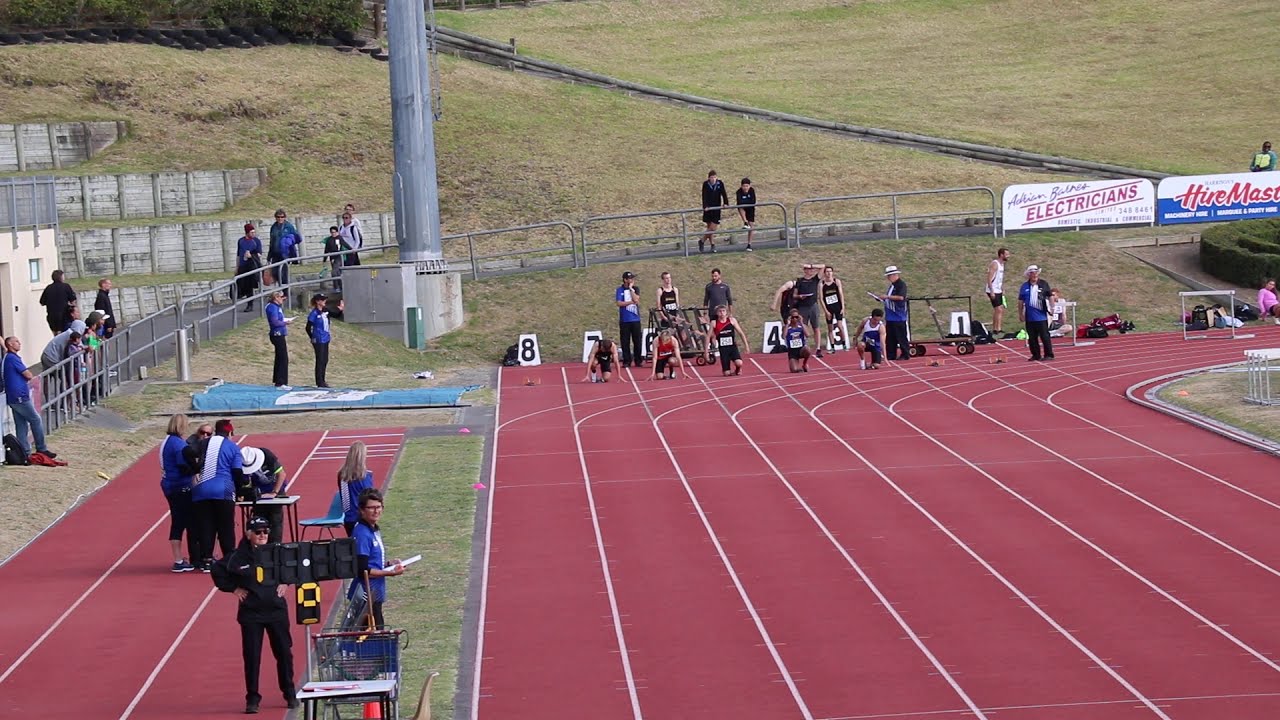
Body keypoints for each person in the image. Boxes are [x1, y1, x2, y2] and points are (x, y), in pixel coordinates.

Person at [228, 515, 298, 714]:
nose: (262, 535)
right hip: (252, 614)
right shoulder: (238, 556)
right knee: (252, 657)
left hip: (276, 611)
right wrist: (234, 589)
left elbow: (292, 566)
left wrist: (286, 582)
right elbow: (219, 571)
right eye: (258, 532)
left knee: (284, 653)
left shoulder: (276, 551)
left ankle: (289, 693)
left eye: (266, 531)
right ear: (248, 533)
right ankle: (252, 699)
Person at [348, 488, 404, 629]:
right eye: (371, 508)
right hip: (366, 595)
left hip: (374, 593)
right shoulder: (362, 533)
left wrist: (388, 564)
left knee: (378, 633)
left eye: (378, 507)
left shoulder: (372, 529)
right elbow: (363, 570)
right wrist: (391, 573)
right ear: (362, 510)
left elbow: (371, 562)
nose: (376, 511)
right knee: (372, 636)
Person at [192, 419, 243, 571]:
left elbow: (188, 453)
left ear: (215, 430)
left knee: (206, 526)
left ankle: (207, 560)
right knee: (226, 526)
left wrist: (195, 470)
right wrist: (240, 492)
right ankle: (229, 559)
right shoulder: (233, 448)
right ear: (230, 432)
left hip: (201, 490)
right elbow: (237, 472)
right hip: (223, 490)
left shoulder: (203, 443)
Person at [2, 336, 55, 459]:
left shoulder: (9, 358)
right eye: (16, 341)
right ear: (10, 344)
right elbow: (28, 374)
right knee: (35, 419)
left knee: (21, 424)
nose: (19, 343)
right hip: (19, 396)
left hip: (15, 396)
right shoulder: (12, 358)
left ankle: (24, 452)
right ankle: (41, 448)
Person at [160, 414, 201, 573]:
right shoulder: (178, 445)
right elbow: (185, 467)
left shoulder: (167, 441)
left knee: (178, 520)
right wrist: (197, 469)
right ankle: (180, 560)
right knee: (183, 522)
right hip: (179, 486)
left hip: (169, 485)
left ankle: (180, 559)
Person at [772, 263, 825, 357]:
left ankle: (818, 348)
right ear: (805, 270)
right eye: (808, 269)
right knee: (803, 327)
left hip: (813, 305)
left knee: (816, 327)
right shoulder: (799, 281)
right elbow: (794, 295)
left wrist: (811, 265)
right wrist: (800, 296)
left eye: (811, 269)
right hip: (803, 307)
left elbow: (823, 266)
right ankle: (804, 347)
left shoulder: (815, 279)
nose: (811, 271)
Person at [240, 445, 288, 544]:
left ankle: (275, 546)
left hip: (276, 488)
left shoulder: (267, 455)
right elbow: (246, 484)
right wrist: (244, 494)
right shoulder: (241, 463)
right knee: (259, 520)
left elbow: (281, 474)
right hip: (259, 493)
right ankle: (259, 547)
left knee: (275, 519)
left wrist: (274, 492)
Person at [1018, 264, 1055, 361]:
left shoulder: (1043, 284)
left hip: (1041, 316)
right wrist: (1020, 314)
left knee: (1044, 336)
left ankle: (1049, 354)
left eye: (1036, 273)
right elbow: (1020, 301)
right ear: (1029, 275)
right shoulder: (1024, 286)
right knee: (1032, 337)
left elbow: (1050, 296)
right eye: (1032, 273)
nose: (1034, 275)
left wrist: (1052, 308)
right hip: (1029, 316)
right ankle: (1036, 355)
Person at [338, 442, 375, 537]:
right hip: (362, 518)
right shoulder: (365, 476)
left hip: (348, 518)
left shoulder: (342, 475)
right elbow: (370, 498)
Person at [874, 265, 911, 362]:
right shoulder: (892, 286)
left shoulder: (901, 285)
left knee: (901, 337)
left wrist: (886, 297)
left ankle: (905, 354)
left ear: (894, 275)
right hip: (890, 316)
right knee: (890, 338)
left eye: (889, 276)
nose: (888, 278)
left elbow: (901, 297)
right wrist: (882, 299)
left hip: (899, 316)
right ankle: (891, 354)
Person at [705, 305, 750, 376]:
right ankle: (728, 370)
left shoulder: (732, 321)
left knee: (739, 363)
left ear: (726, 312)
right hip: (723, 349)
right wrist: (706, 352)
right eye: (720, 311)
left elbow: (741, 333)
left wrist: (746, 346)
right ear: (717, 313)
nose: (722, 313)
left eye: (723, 311)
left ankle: (738, 370)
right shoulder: (714, 323)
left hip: (732, 347)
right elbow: (708, 337)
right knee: (726, 373)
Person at [615, 272, 644, 368]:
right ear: (625, 280)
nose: (632, 280)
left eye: (632, 278)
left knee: (637, 341)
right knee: (625, 341)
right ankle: (627, 360)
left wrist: (631, 289)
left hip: (635, 319)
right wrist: (631, 302)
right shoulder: (620, 290)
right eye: (630, 278)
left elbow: (636, 299)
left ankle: (638, 360)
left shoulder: (636, 289)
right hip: (625, 320)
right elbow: (619, 303)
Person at [265, 290, 291, 390]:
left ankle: (278, 380)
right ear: (276, 297)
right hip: (277, 334)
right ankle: (281, 382)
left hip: (279, 333)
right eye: (281, 297)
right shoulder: (272, 307)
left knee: (280, 357)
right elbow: (274, 322)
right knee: (283, 358)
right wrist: (285, 323)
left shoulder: (276, 307)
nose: (283, 299)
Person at [268, 209, 301, 287]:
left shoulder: (289, 226)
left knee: (283, 274)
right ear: (275, 217)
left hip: (285, 253)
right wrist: (269, 256)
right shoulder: (273, 227)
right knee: (275, 272)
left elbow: (297, 238)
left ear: (285, 217)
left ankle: (285, 290)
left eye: (282, 217)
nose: (280, 218)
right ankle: (280, 288)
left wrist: (289, 241)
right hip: (275, 253)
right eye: (278, 217)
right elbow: (271, 241)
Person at [38, 270, 77, 334]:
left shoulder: (48, 288)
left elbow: (42, 302)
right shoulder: (66, 286)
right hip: (64, 316)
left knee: (56, 335)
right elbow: (73, 301)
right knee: (65, 334)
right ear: (61, 277)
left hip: (52, 316)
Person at [306, 293, 332, 388]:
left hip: (326, 338)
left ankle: (323, 380)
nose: (325, 301)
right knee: (320, 360)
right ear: (317, 301)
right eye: (322, 300)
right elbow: (308, 327)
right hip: (318, 339)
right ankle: (319, 381)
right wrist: (312, 337)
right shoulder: (314, 313)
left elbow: (335, 314)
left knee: (325, 359)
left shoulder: (325, 311)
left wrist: (341, 310)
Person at [699, 170, 728, 253]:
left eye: (714, 177)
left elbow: (724, 193)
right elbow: (704, 195)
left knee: (713, 228)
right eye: (712, 177)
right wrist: (705, 206)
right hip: (708, 208)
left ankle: (702, 241)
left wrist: (725, 203)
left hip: (716, 208)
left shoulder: (720, 183)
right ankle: (712, 244)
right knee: (709, 227)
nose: (713, 179)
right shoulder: (706, 184)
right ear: (709, 178)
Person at [237, 224, 263, 312]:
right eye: (251, 232)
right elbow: (238, 255)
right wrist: (237, 267)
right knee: (243, 285)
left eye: (254, 232)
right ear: (247, 232)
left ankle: (250, 304)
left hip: (252, 266)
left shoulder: (256, 241)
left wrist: (251, 255)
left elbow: (259, 254)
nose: (253, 234)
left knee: (250, 285)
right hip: (243, 265)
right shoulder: (241, 241)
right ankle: (246, 300)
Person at [985, 247, 1009, 335]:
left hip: (998, 289)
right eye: (1006, 254)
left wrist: (1002, 287)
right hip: (993, 289)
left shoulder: (1002, 265)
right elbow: (989, 278)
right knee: (998, 309)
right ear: (1001, 255)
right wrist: (991, 290)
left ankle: (997, 328)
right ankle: (996, 329)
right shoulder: (995, 264)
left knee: (999, 309)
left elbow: (999, 278)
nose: (1008, 256)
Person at [821, 265, 846, 350]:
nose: (829, 273)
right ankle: (832, 347)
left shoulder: (836, 281)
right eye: (827, 272)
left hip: (837, 307)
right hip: (829, 308)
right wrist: (826, 311)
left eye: (830, 271)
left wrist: (843, 307)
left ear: (832, 273)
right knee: (830, 328)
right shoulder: (822, 284)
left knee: (840, 326)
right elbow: (821, 298)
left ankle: (844, 344)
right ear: (824, 273)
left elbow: (841, 294)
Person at [735, 178, 756, 252]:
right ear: (741, 186)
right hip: (743, 208)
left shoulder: (752, 190)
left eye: (747, 186)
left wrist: (746, 201)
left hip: (751, 209)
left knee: (751, 226)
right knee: (740, 207)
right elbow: (739, 202)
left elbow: (753, 201)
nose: (745, 188)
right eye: (744, 186)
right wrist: (746, 202)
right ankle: (745, 222)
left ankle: (749, 244)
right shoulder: (738, 192)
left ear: (749, 186)